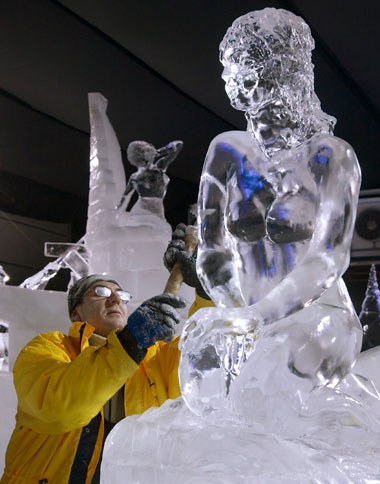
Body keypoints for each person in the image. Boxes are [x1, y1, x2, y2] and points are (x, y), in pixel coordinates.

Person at [0, 275, 186, 484]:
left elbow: (205, 358)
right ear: (76, 312)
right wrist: (130, 343)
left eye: (121, 295)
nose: (115, 300)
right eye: (101, 292)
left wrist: (207, 290)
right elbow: (59, 408)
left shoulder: (156, 358)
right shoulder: (48, 348)